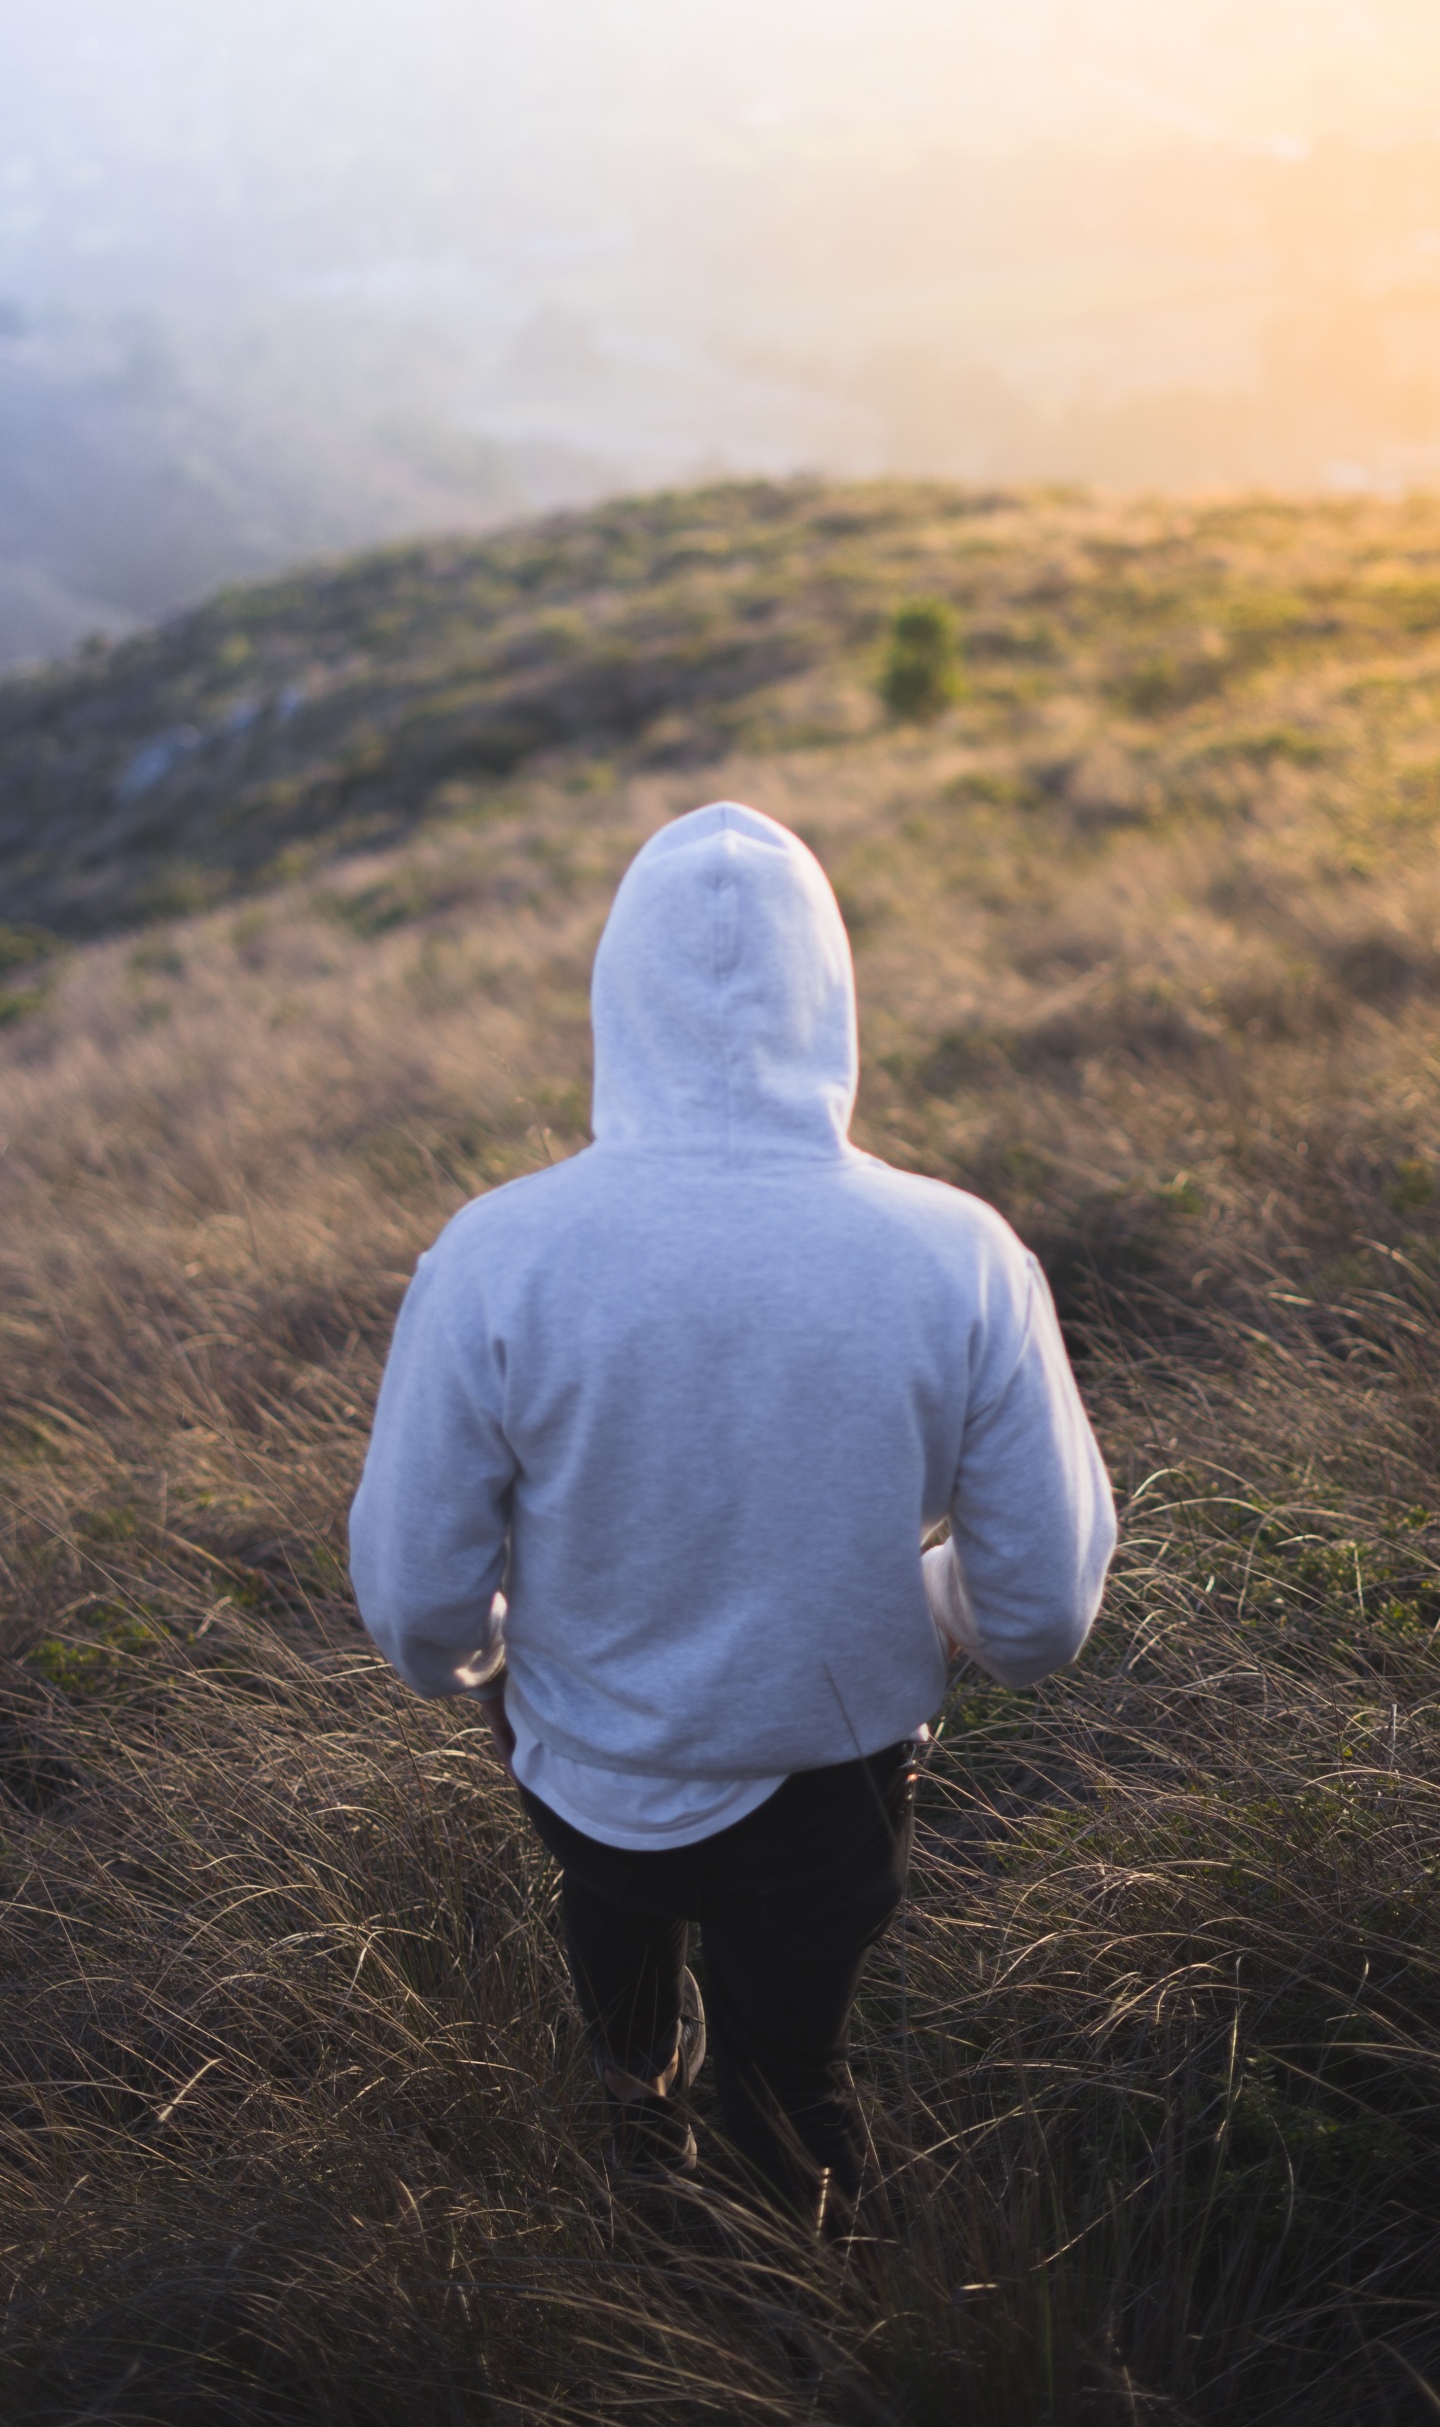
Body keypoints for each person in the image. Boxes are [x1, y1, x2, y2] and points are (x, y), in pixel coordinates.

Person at [349, 801, 1115, 2229]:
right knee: (793, 2081)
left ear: (614, 1000)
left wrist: (503, 1663)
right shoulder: (958, 1256)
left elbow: (413, 1601)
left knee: (617, 1910)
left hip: (578, 1764)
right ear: (831, 997)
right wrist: (934, 1613)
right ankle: (782, 2326)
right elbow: (1048, 1608)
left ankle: (635, 2105)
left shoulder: (497, 1258)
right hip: (830, 1786)